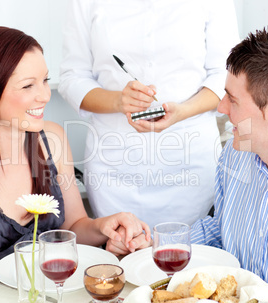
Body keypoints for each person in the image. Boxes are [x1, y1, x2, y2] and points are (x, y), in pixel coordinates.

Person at [0, 26, 151, 303]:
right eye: (28, 85)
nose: (44, 95)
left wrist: (104, 226)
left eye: (45, 80)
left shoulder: (51, 139)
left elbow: (74, 227)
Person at [58, 0, 240, 229]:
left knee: (187, 250)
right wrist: (118, 100)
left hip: (189, 157)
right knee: (121, 247)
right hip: (114, 165)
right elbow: (72, 76)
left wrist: (183, 111)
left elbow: (226, 75)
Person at [188, 24, 268, 302]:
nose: (221, 108)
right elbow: (220, 231)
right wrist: (157, 246)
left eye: (232, 99)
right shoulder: (237, 155)